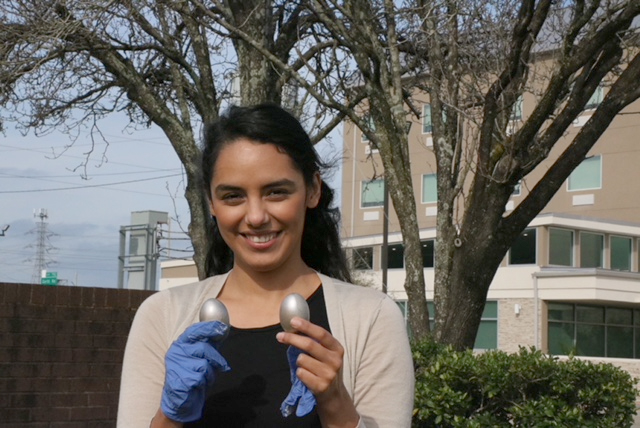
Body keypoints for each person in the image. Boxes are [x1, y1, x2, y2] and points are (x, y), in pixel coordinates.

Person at [117, 104, 414, 428]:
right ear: (211, 202)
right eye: (233, 196)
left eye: (276, 192)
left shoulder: (371, 319)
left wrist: (335, 403)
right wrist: (169, 416)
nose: (256, 216)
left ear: (312, 190)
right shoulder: (162, 316)